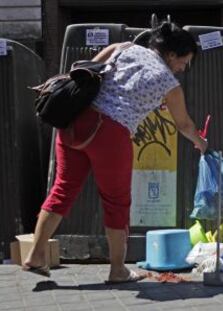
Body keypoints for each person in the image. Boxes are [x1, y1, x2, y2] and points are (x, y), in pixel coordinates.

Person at [23, 21, 208, 283]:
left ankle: (36, 255)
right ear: (171, 55)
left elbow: (86, 73)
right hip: (110, 134)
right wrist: (200, 142)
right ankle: (118, 270)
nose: (183, 68)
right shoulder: (169, 83)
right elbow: (184, 125)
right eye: (184, 61)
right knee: (116, 202)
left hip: (74, 121)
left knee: (62, 190)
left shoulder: (123, 47)